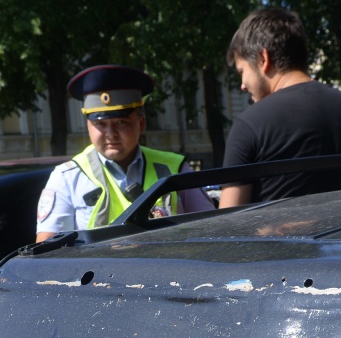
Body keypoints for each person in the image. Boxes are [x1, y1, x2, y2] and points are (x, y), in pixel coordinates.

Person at [36, 65, 212, 241]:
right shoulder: (67, 178)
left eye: (121, 122)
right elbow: (48, 252)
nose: (111, 133)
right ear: (88, 126)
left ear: (141, 123)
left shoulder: (175, 168)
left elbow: (211, 229)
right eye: (100, 124)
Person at [220, 7, 341, 208]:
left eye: (242, 71)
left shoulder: (249, 124)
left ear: (263, 59)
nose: (242, 85)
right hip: (340, 238)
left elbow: (227, 224)